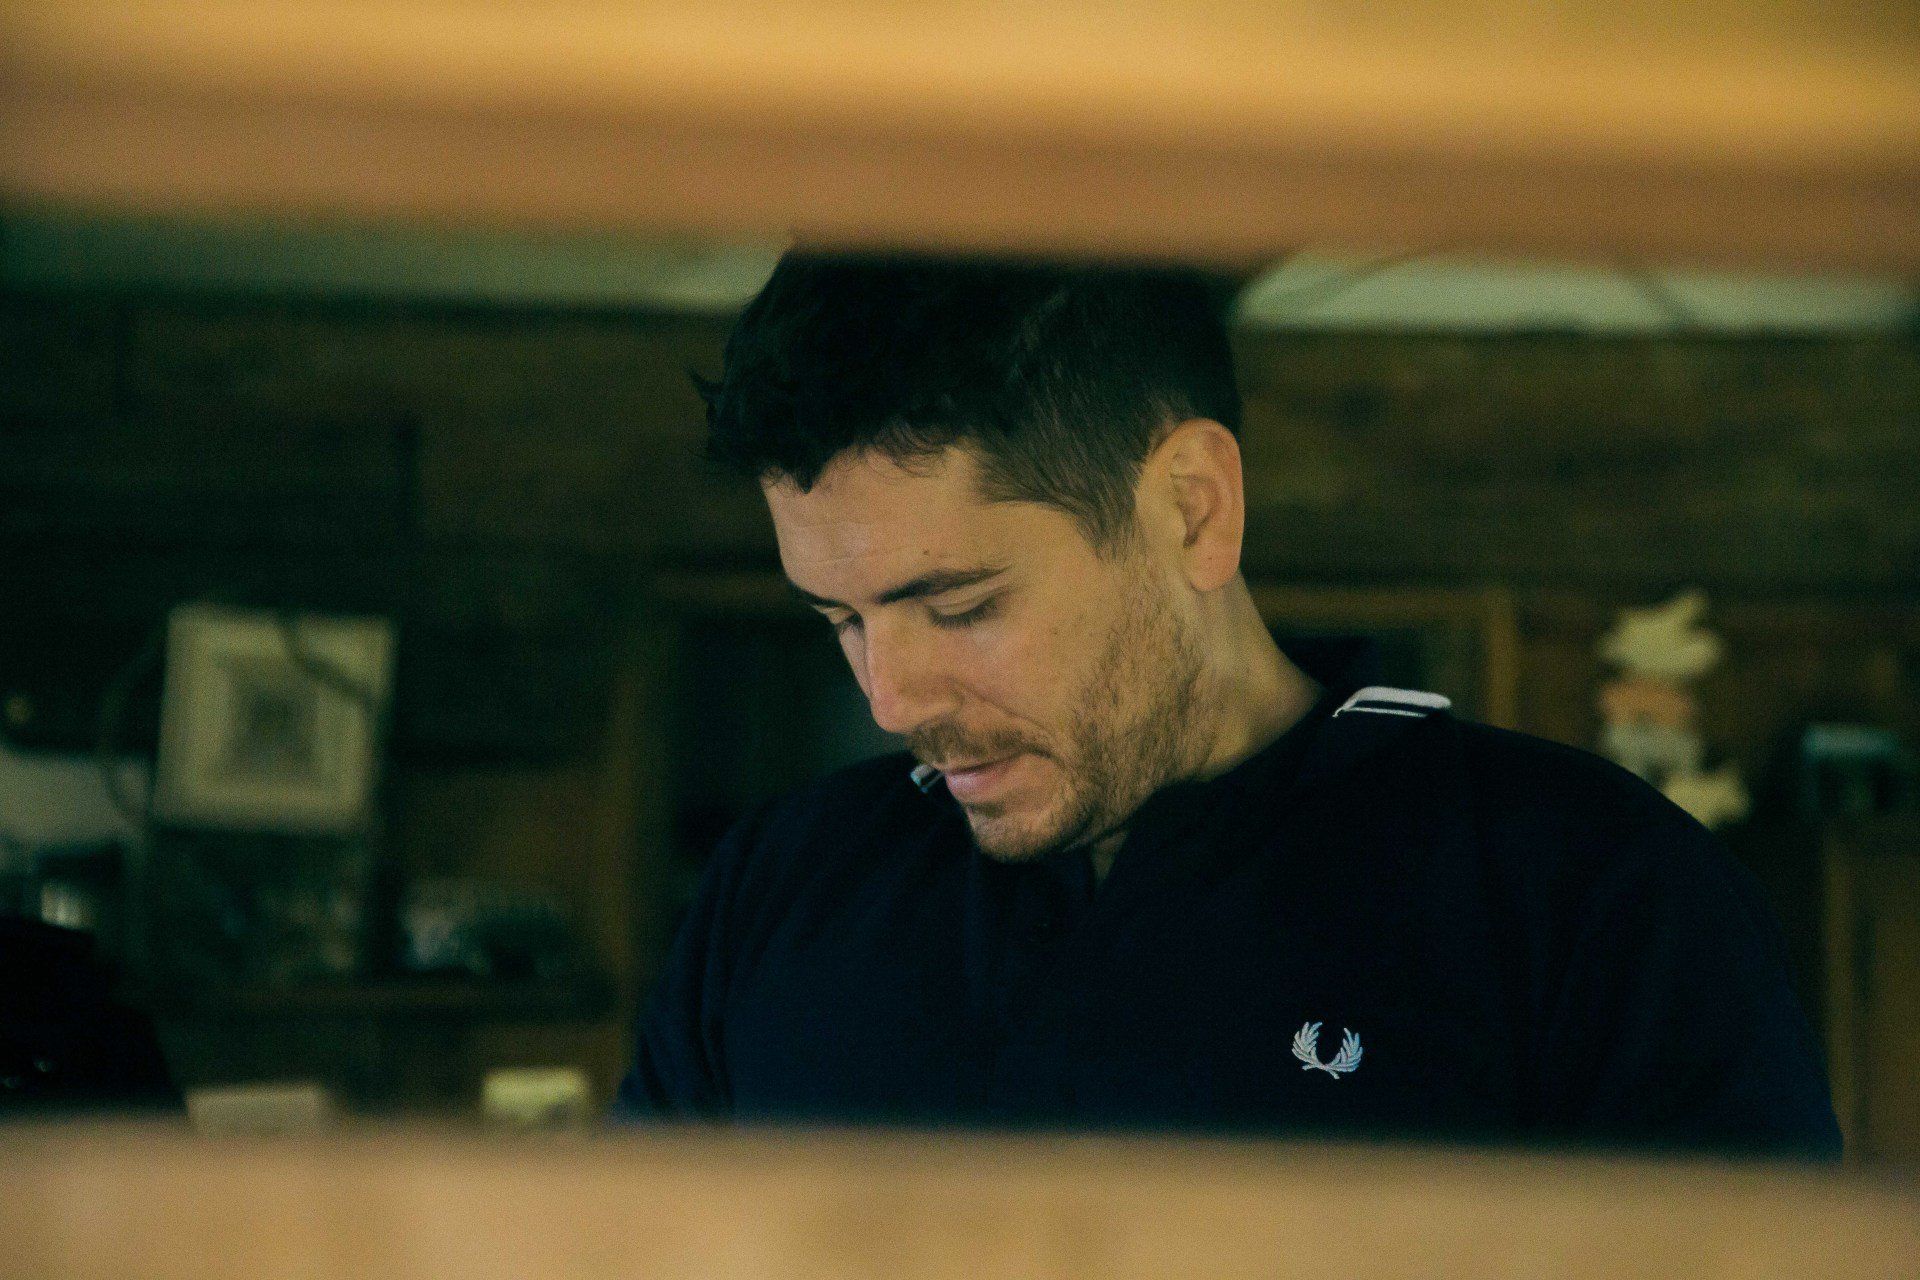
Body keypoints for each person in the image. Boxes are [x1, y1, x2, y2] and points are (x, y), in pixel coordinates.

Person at [614, 254, 1840, 1157]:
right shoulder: (776, 895)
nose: (891, 700)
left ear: (1191, 507)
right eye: (840, 619)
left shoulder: (1596, 898)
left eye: (961, 605)